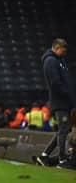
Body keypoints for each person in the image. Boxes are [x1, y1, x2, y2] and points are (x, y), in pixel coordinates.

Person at [37, 38, 75, 169]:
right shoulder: (51, 61)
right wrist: (68, 95)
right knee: (64, 130)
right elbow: (55, 83)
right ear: (57, 47)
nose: (65, 53)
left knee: (63, 130)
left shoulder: (59, 60)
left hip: (65, 101)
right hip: (60, 101)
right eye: (63, 50)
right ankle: (62, 160)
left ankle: (44, 155)